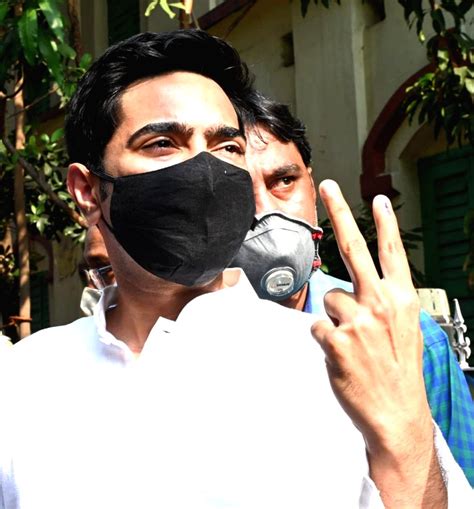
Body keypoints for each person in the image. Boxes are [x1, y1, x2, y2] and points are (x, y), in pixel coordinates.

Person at [0, 30, 471, 509]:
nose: (206, 171)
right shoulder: (23, 384)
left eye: (226, 147)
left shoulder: (336, 361)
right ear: (87, 190)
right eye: (163, 143)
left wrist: (405, 437)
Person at [231, 90, 474, 486]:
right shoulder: (181, 341)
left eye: (284, 181)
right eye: (238, 193)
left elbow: (461, 481)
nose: (265, 213)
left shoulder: (406, 336)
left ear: (311, 186)